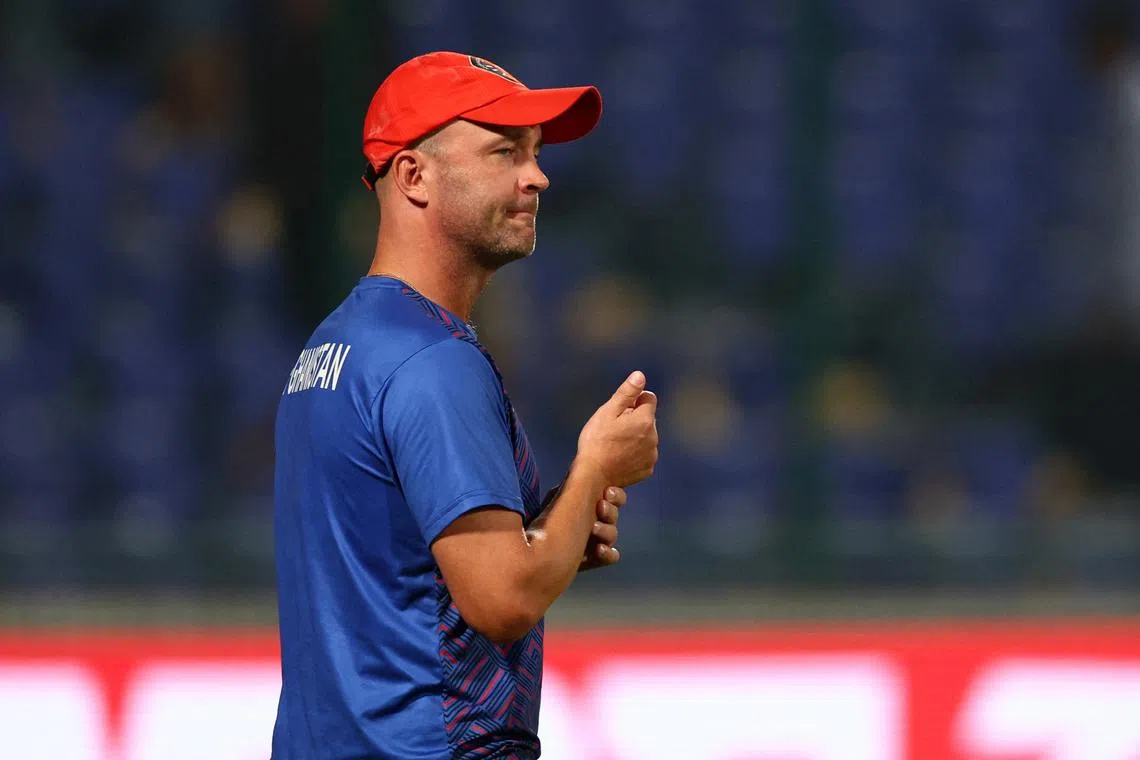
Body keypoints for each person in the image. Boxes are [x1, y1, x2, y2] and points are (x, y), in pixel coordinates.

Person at [270, 51, 659, 760]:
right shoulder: (432, 359)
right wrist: (596, 468)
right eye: (504, 152)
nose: (536, 176)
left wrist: (553, 532)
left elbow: (397, 573)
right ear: (413, 176)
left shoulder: (332, 347)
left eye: (535, 153)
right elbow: (502, 600)